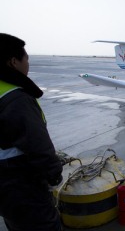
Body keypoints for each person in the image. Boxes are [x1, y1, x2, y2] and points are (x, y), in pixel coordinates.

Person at [0, 33, 63, 230]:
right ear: (13, 62)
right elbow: (38, 145)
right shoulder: (17, 99)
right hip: (22, 186)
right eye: (26, 59)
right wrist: (54, 176)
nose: (28, 64)